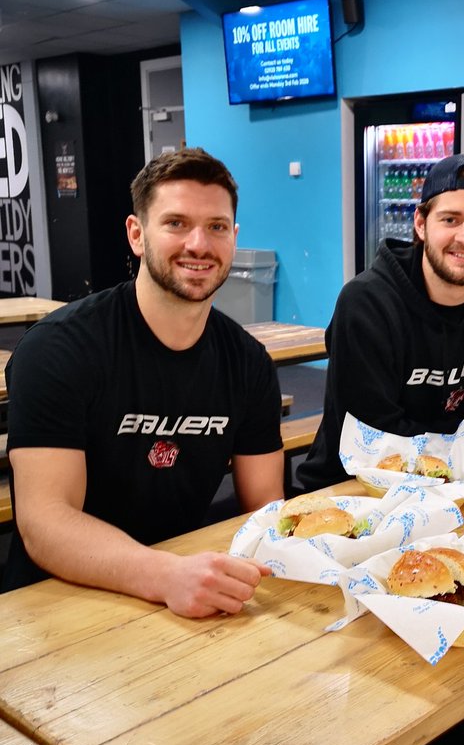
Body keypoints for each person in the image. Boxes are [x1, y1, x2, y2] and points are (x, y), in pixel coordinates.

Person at [1, 147, 284, 617]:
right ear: (136, 234)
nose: (199, 244)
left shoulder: (248, 362)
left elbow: (265, 508)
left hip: (182, 590)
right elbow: (46, 523)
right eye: (176, 223)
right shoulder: (58, 349)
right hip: (58, 601)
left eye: (216, 227)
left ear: (233, 239)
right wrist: (165, 575)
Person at [296, 152, 464, 491]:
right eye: (450, 220)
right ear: (421, 224)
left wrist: (437, 442)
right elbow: (376, 445)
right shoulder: (366, 304)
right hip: (354, 490)